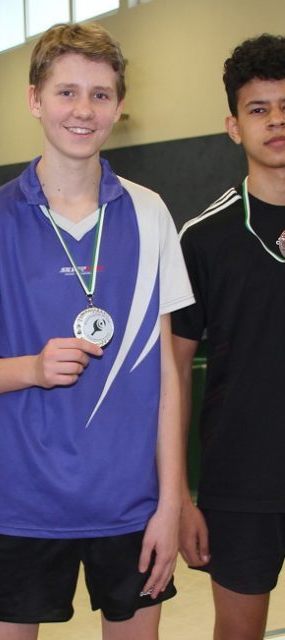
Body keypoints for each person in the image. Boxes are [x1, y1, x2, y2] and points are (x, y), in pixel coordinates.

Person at [0, 22, 194, 640]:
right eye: (66, 92)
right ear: (34, 99)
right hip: (19, 507)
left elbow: (167, 374)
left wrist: (171, 502)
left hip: (130, 508)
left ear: (119, 106)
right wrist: (30, 368)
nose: (83, 110)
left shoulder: (150, 212)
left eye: (100, 94)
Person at [172, 34, 285, 640]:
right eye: (258, 109)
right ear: (234, 127)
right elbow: (172, 374)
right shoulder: (202, 239)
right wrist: (180, 496)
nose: (276, 121)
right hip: (241, 485)